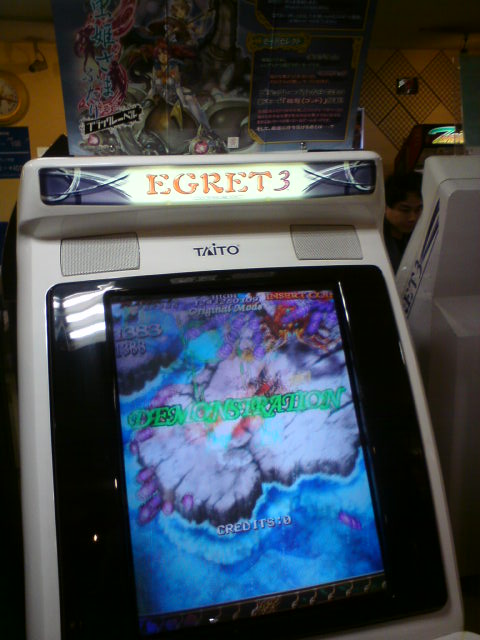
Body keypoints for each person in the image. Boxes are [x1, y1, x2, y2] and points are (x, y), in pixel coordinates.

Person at [383, 171, 423, 272]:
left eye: (418, 210)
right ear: (385, 207)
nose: (413, 218)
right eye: (405, 210)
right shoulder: (378, 239)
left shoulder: (420, 234)